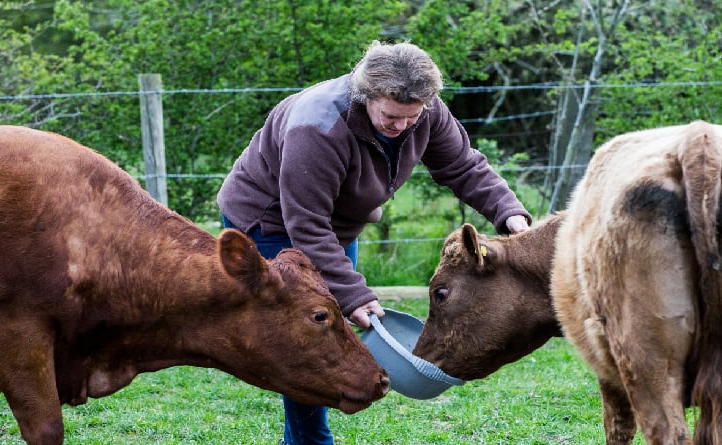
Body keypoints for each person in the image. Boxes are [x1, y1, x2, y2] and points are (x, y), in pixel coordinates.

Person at [217, 40, 531, 445]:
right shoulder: (317, 126)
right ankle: (310, 441)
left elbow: (463, 165)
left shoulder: (425, 110)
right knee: (309, 331)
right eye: (390, 116)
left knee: (331, 319)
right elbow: (307, 225)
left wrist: (510, 213)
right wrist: (352, 294)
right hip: (270, 220)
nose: (400, 126)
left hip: (336, 225)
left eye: (410, 118)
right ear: (366, 95)